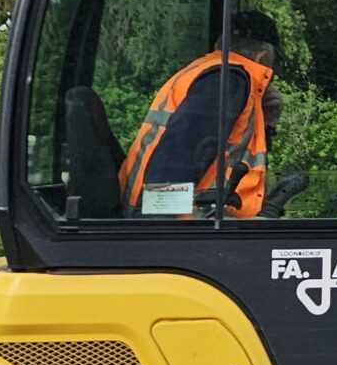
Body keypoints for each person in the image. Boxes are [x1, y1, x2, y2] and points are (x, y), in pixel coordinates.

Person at [120, 11, 283, 218]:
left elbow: (234, 154)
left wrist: (267, 123)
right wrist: (156, 224)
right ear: (264, 54)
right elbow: (176, 158)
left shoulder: (211, 73)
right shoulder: (226, 80)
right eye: (275, 61)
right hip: (184, 230)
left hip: (195, 227)